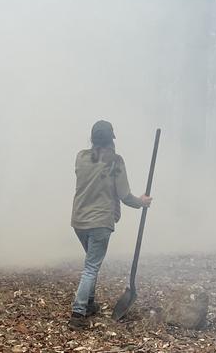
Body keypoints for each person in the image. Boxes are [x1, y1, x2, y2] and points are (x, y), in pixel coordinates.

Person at [68, 120, 152, 331]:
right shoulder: (115, 161)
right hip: (100, 222)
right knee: (91, 267)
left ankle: (89, 303)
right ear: (111, 140)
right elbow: (124, 195)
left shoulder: (81, 157)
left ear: (93, 138)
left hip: (79, 221)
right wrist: (141, 202)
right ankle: (78, 313)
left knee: (91, 262)